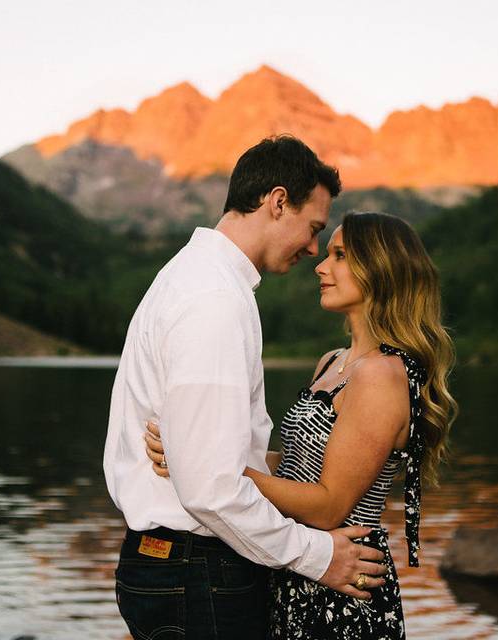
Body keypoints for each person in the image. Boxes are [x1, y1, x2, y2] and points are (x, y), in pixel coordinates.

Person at [103, 135, 389, 640]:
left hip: (178, 567)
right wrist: (318, 556)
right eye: (313, 228)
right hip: (198, 571)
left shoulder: (191, 278)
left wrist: (202, 459)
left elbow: (210, 468)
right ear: (278, 202)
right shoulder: (215, 298)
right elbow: (211, 488)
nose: (312, 250)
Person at [146, 211, 458, 638]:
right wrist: (194, 448)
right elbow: (297, 466)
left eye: (341, 255)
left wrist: (215, 472)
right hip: (299, 567)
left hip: (344, 584)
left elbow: (330, 505)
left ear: (382, 270)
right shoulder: (334, 361)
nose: (321, 266)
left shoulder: (382, 376)